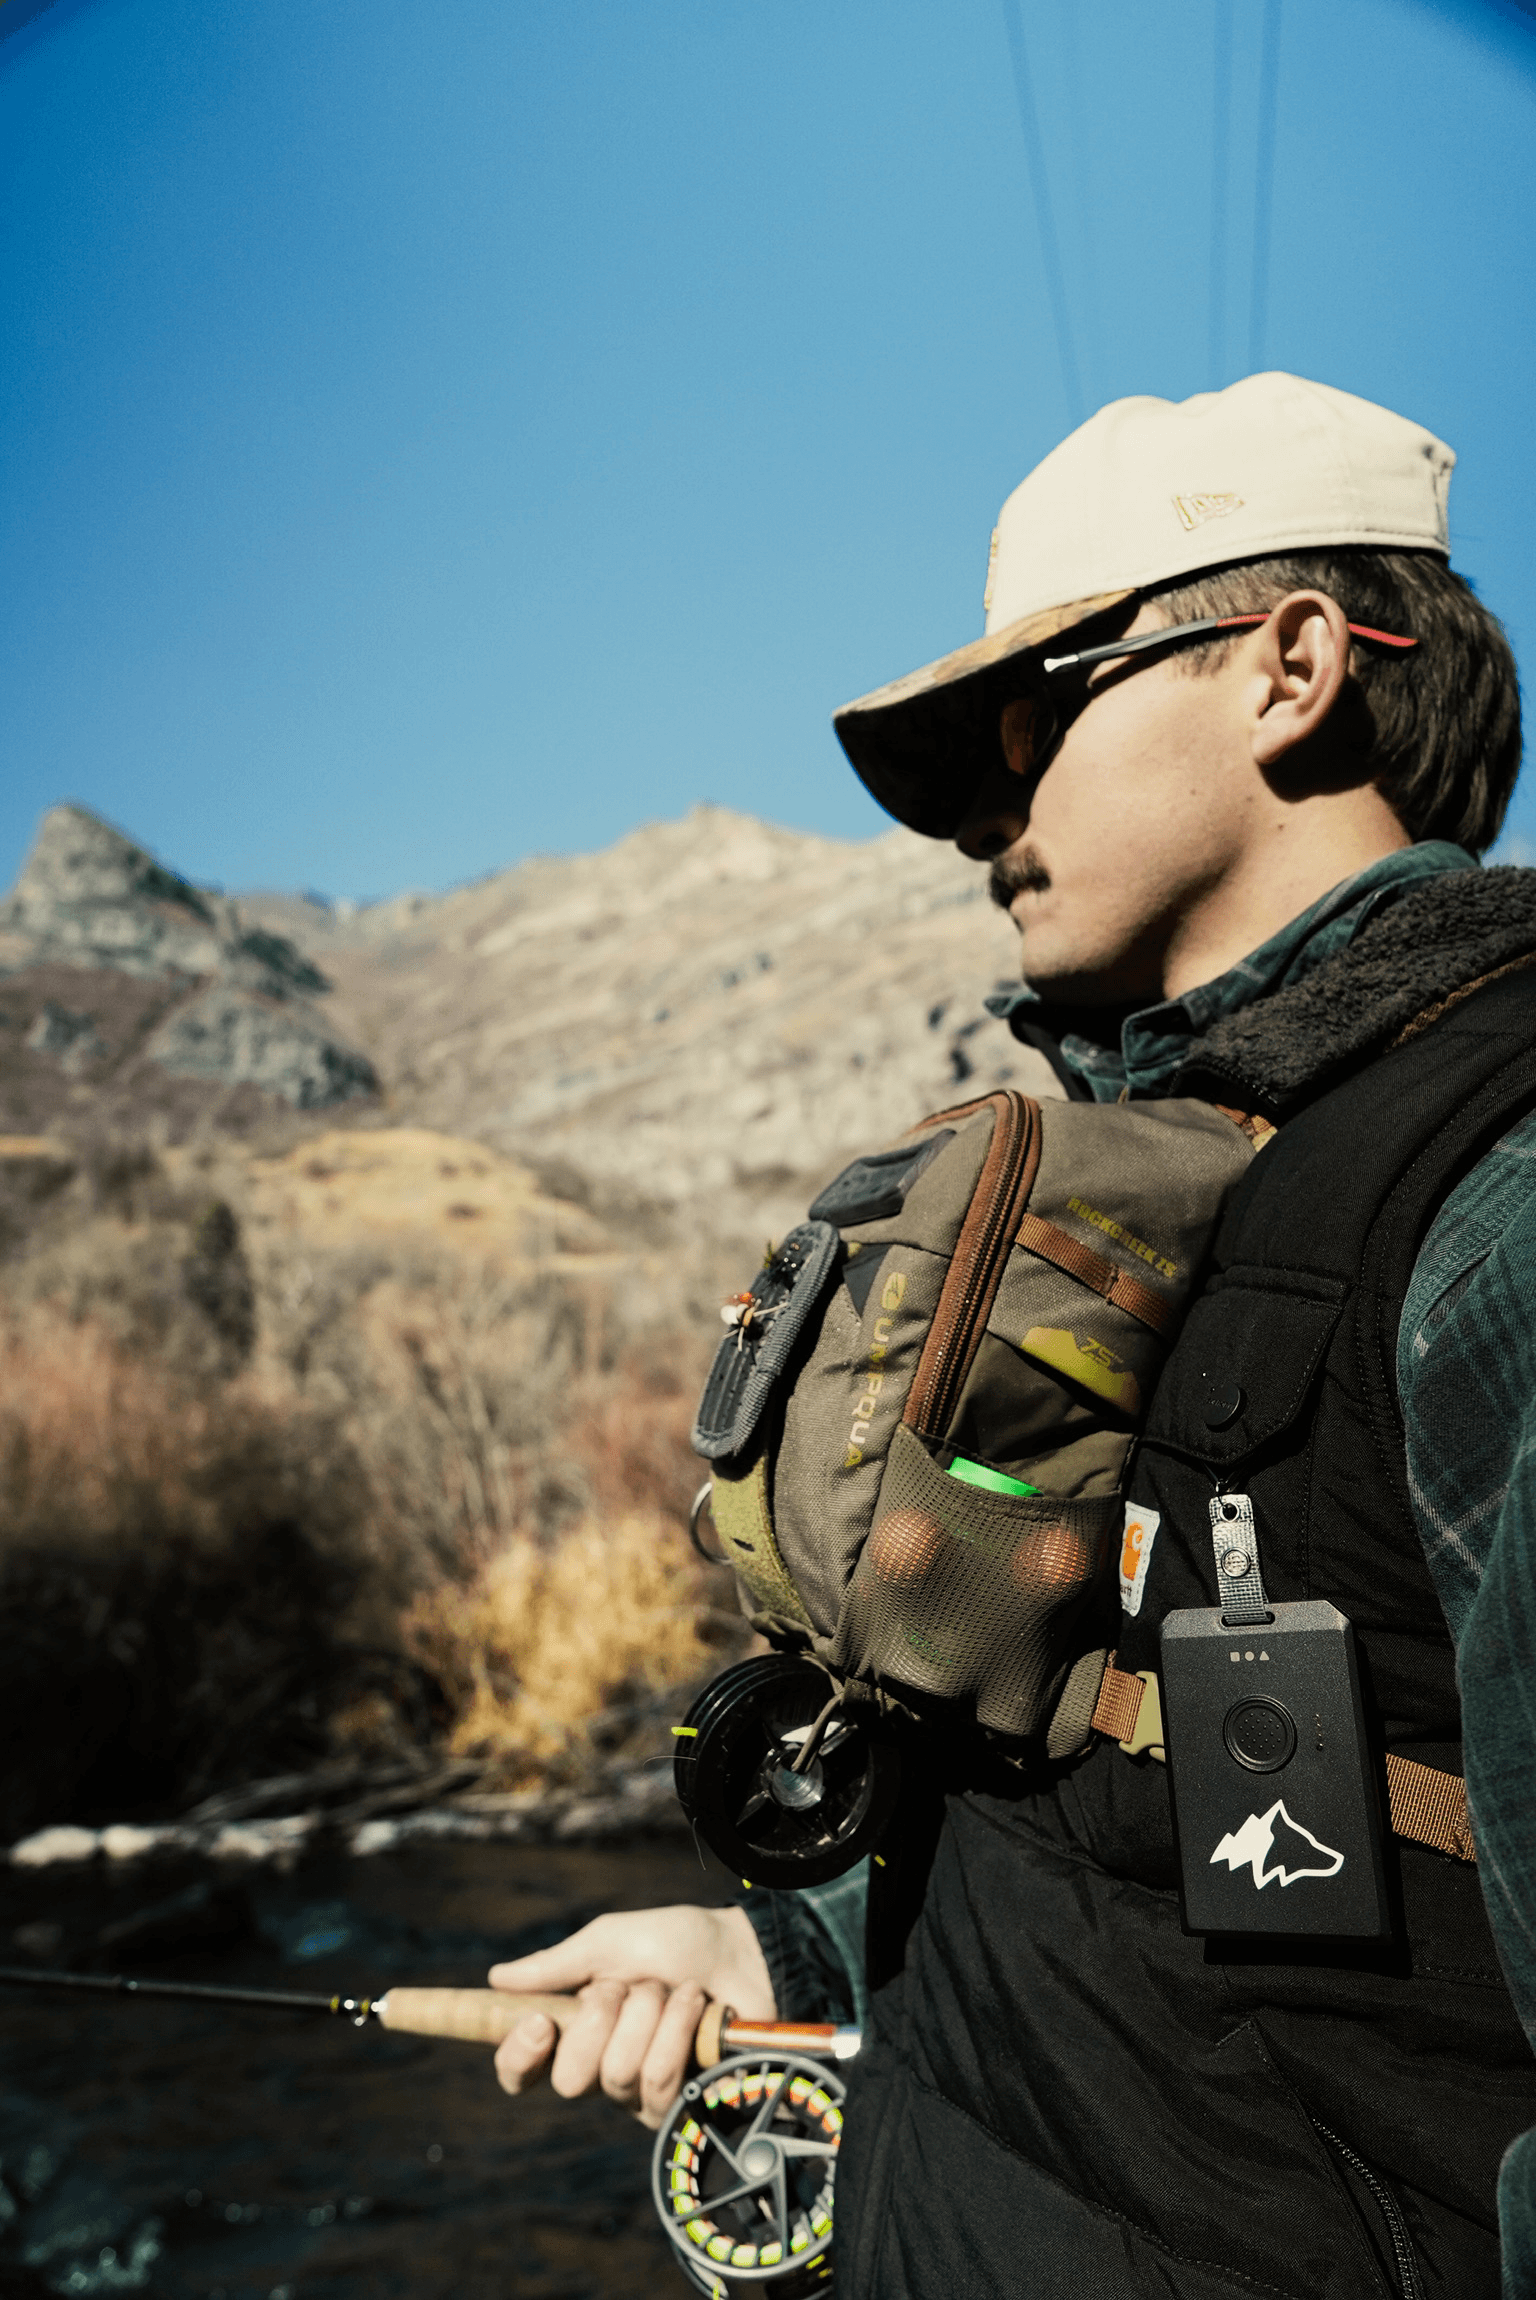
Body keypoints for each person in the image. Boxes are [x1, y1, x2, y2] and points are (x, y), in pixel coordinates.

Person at [486, 373, 1536, 2297]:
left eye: (1034, 712)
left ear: (1292, 665)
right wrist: (787, 1959)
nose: (983, 803)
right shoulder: (1181, 1180)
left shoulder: (1500, 1188)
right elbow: (1131, 1830)